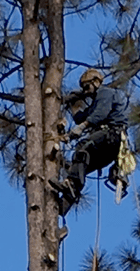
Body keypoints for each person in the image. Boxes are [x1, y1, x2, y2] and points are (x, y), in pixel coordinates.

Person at [50, 68, 128, 210]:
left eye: (87, 87)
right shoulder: (95, 103)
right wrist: (74, 106)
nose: (85, 91)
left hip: (112, 135)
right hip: (107, 148)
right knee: (81, 166)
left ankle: (71, 185)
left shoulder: (105, 93)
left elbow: (99, 115)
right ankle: (64, 205)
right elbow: (82, 117)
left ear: (96, 82)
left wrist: (81, 128)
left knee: (83, 146)